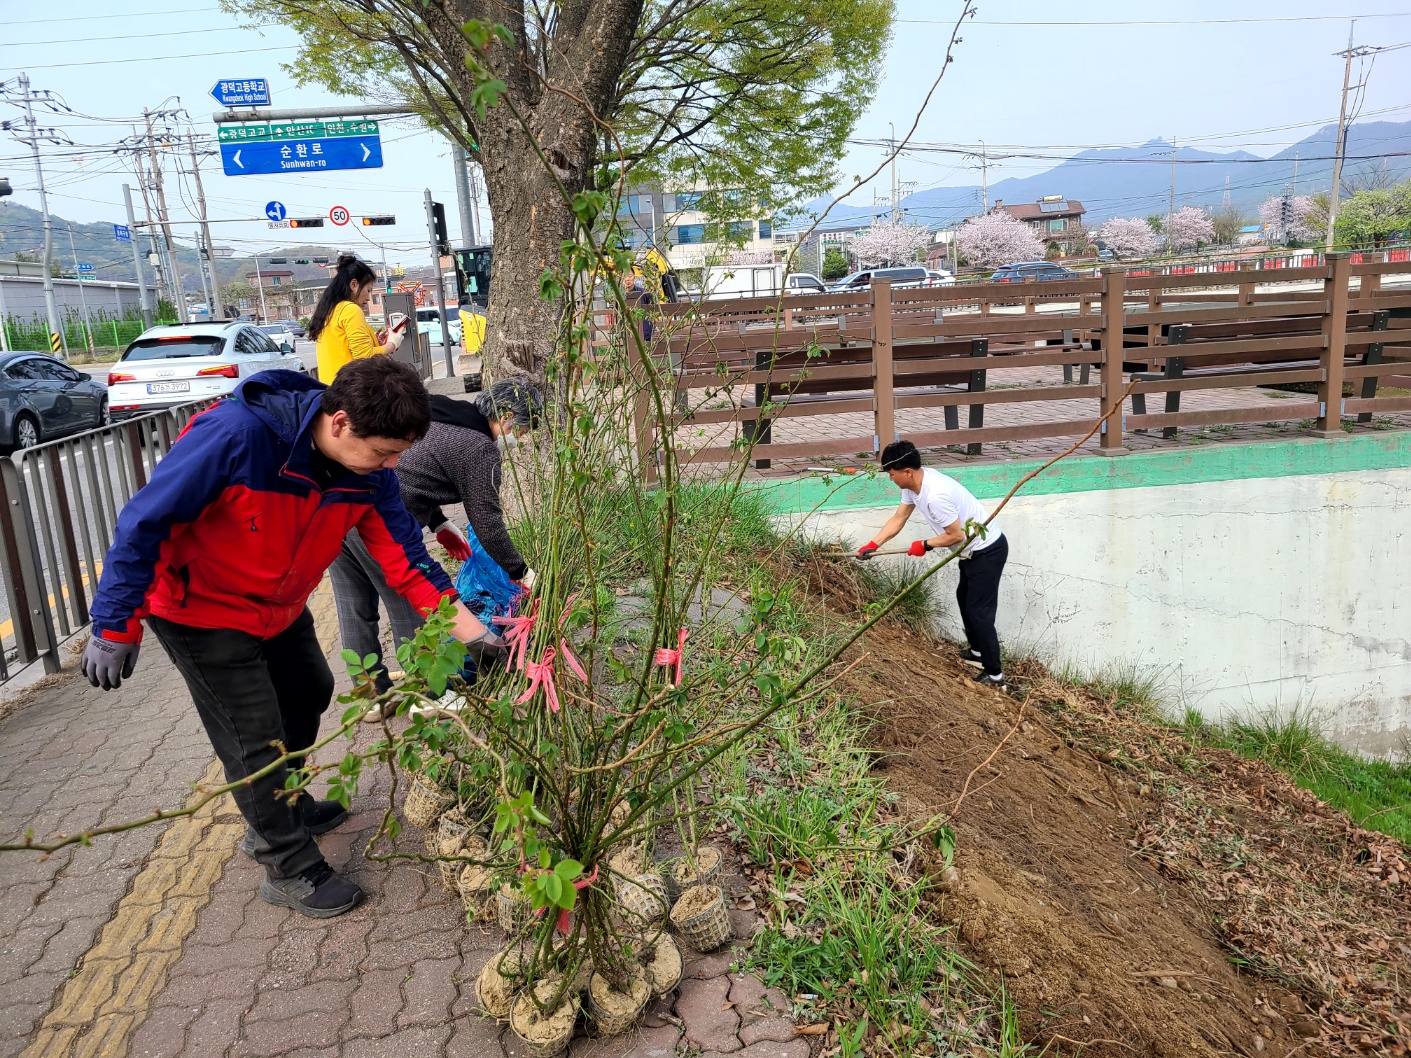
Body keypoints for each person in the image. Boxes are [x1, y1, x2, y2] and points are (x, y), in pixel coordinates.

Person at [80, 358, 506, 919]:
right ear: (340, 423)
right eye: (384, 452)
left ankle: (288, 802)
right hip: (199, 608)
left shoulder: (369, 476)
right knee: (252, 736)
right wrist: (114, 622)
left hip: (276, 606)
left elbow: (407, 562)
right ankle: (287, 864)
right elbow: (144, 523)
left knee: (309, 689)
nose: (393, 465)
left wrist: (478, 637)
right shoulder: (235, 438)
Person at [330, 378, 543, 712]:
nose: (520, 440)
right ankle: (431, 694)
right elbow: (488, 525)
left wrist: (439, 522)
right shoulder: (479, 447)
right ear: (508, 417)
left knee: (354, 606)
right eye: (524, 431)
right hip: (378, 525)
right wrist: (520, 571)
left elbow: (416, 473)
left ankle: (371, 699)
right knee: (410, 604)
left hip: (339, 511)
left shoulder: (443, 412)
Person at [857, 440, 1010, 688]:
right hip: (970, 553)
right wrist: (874, 544)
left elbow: (956, 535)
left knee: (979, 612)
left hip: (987, 550)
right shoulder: (914, 484)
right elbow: (899, 518)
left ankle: (995, 675)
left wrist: (926, 544)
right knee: (964, 598)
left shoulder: (936, 495)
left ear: (907, 472)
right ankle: (977, 652)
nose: (891, 479)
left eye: (892, 474)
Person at [310, 254, 408, 383]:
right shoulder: (350, 309)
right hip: (350, 389)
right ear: (354, 284)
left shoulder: (329, 309)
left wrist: (373, 342)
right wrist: (392, 344)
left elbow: (345, 348)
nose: (368, 298)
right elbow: (364, 356)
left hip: (331, 387)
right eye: (368, 290)